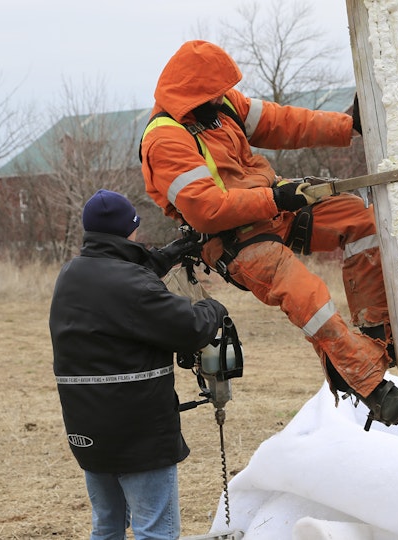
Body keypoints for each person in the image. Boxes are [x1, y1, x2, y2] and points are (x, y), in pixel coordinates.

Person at [139, 39, 398, 426]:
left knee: (360, 222)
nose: (223, 100)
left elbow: (280, 122)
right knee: (307, 295)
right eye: (215, 94)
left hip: (274, 207)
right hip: (232, 238)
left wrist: (348, 125)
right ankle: (365, 380)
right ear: (194, 92)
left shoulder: (223, 104)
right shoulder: (165, 140)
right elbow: (206, 210)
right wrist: (275, 198)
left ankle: (376, 333)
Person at [50, 189, 229, 540]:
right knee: (155, 531)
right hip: (138, 432)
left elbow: (122, 278)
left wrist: (171, 255)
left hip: (88, 428)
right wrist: (214, 308)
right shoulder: (133, 285)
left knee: (107, 526)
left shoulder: (71, 275)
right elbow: (190, 328)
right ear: (128, 230)